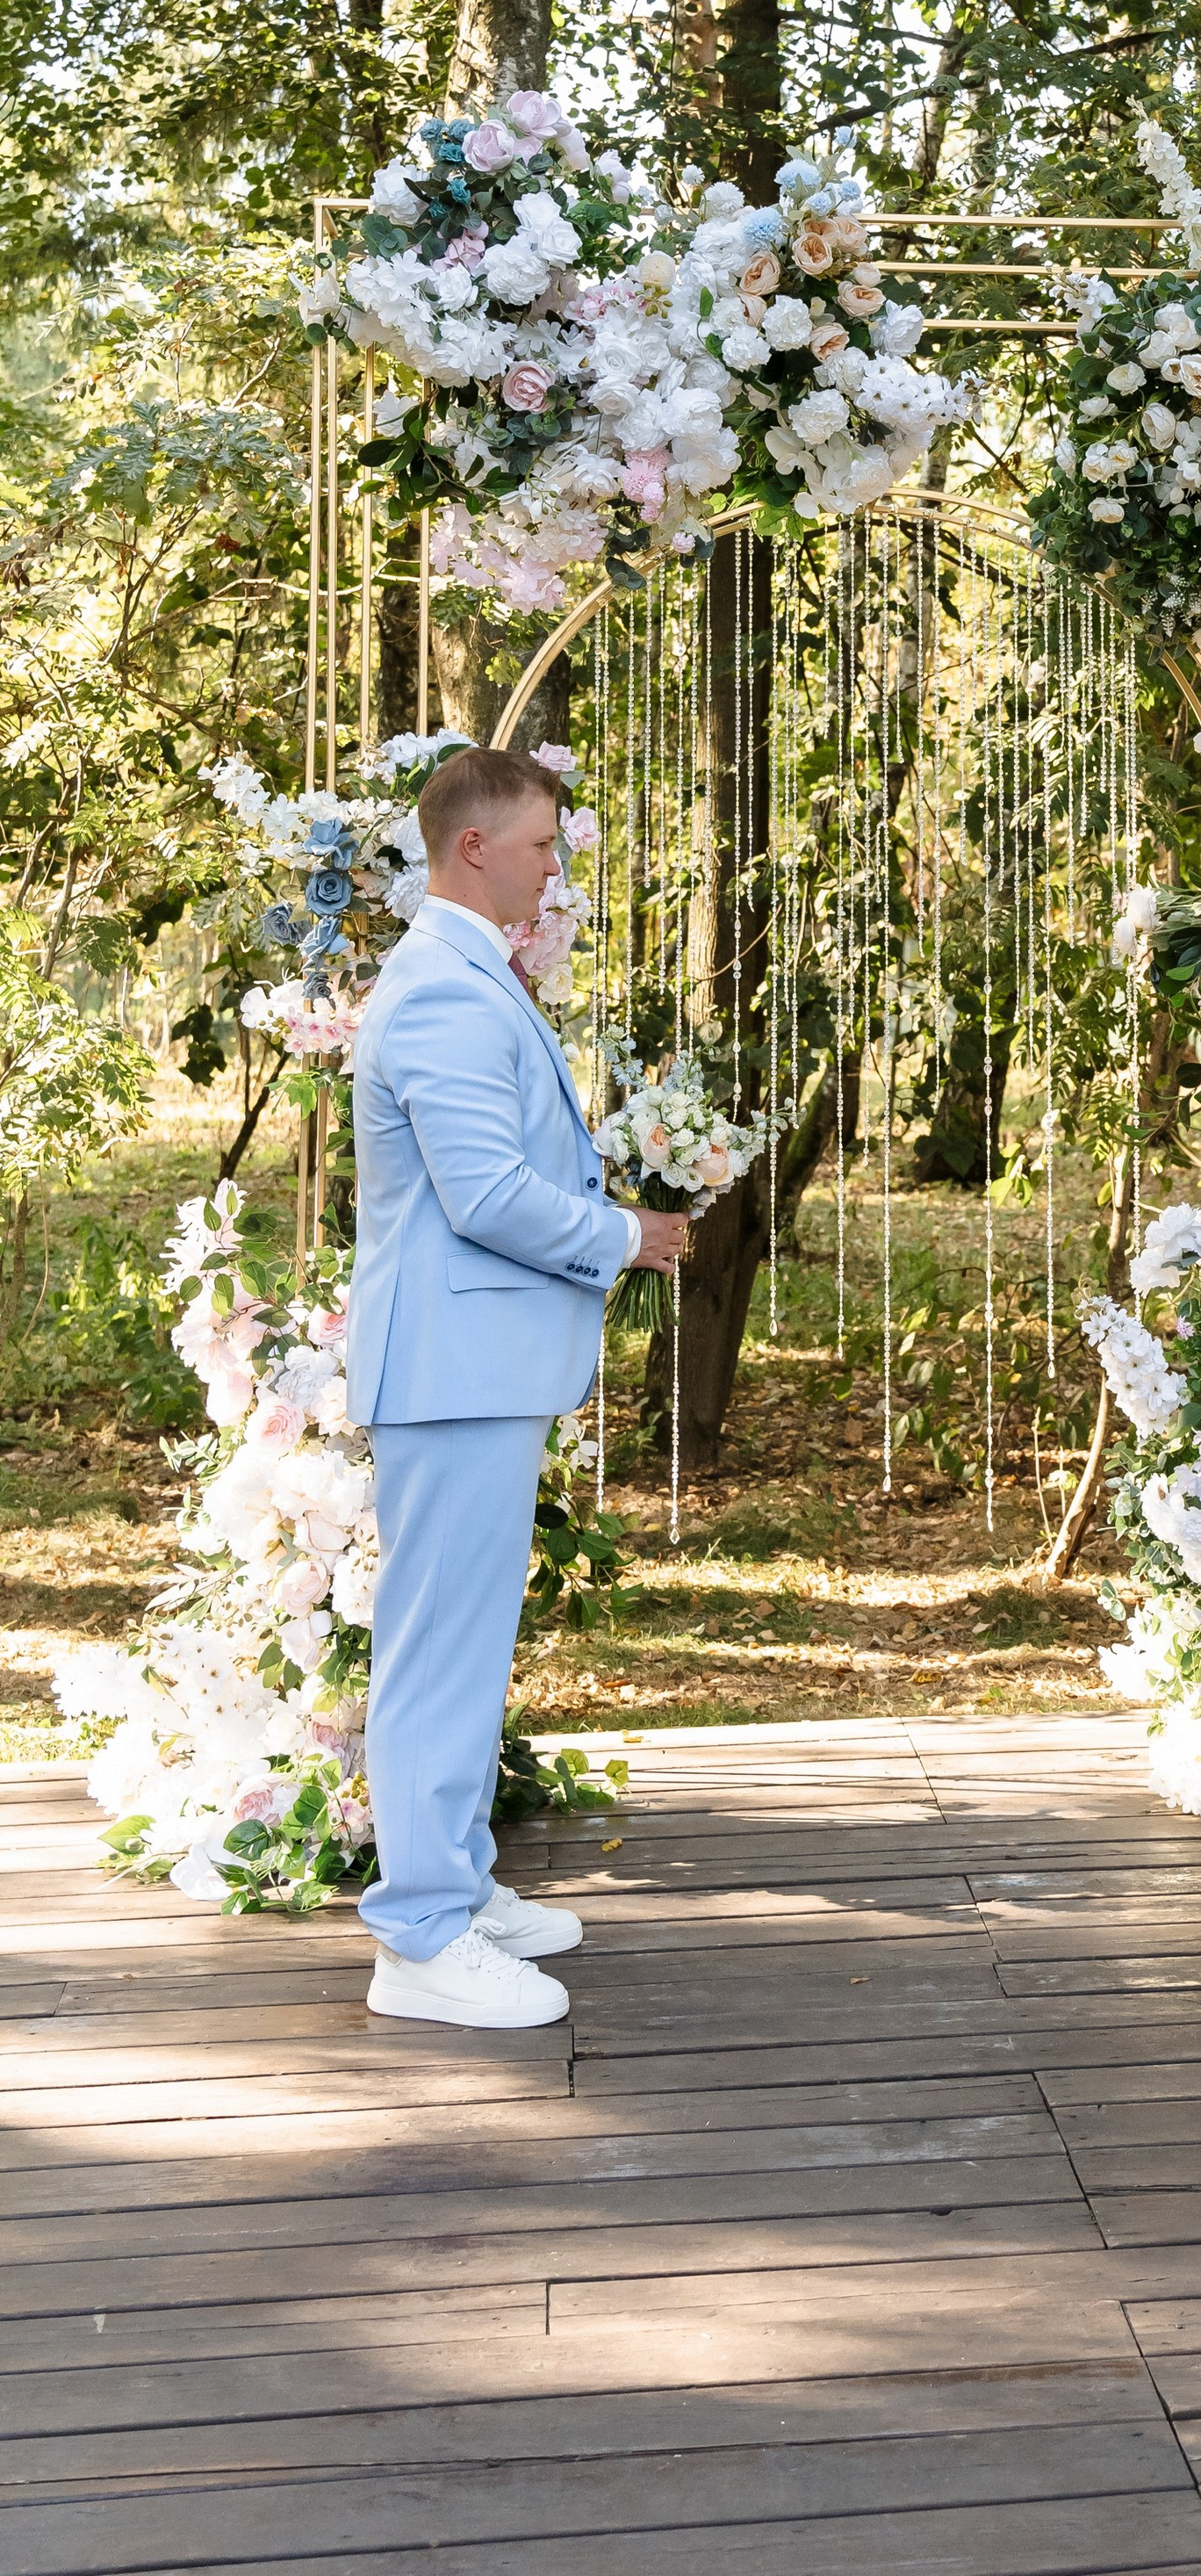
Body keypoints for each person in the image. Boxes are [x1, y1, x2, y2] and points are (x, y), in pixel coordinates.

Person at [345, 744, 689, 2028]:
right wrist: (623, 1235)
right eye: (542, 844)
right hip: (450, 1369)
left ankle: (458, 1884)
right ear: (472, 847)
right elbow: (482, 1195)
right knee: (438, 1649)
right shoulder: (439, 990)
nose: (556, 866)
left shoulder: (464, 974)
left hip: (472, 1366)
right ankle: (419, 1938)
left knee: (467, 1641)